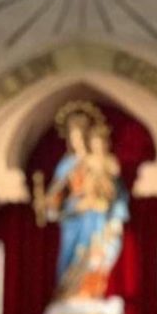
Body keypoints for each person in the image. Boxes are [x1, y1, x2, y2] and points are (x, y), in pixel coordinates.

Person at [44, 104, 130, 299]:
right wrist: (54, 202)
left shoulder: (100, 161)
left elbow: (115, 192)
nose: (77, 141)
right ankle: (67, 293)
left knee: (93, 254)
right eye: (73, 137)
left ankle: (88, 292)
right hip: (73, 216)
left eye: (80, 136)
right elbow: (55, 194)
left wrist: (114, 214)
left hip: (95, 216)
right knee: (70, 255)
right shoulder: (67, 164)